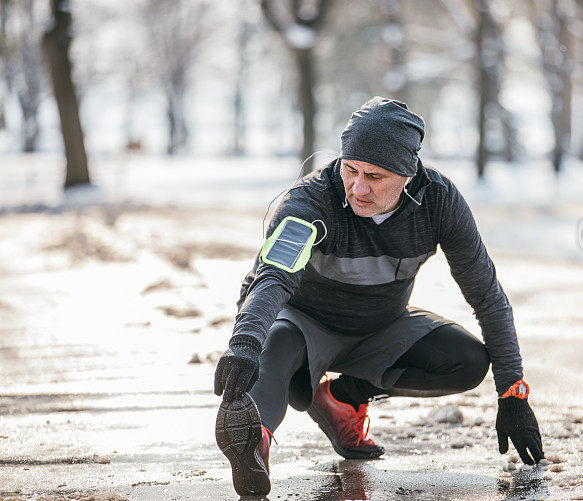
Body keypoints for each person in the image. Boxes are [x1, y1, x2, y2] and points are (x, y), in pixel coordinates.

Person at [213, 97, 544, 496]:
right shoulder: (310, 201)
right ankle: (255, 441)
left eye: (374, 176)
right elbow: (273, 279)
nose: (357, 187)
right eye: (349, 169)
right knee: (273, 344)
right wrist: (244, 343)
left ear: (407, 175)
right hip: (301, 324)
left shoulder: (439, 202)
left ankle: (341, 397)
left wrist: (512, 392)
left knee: (469, 361)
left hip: (382, 325)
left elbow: (487, 295)